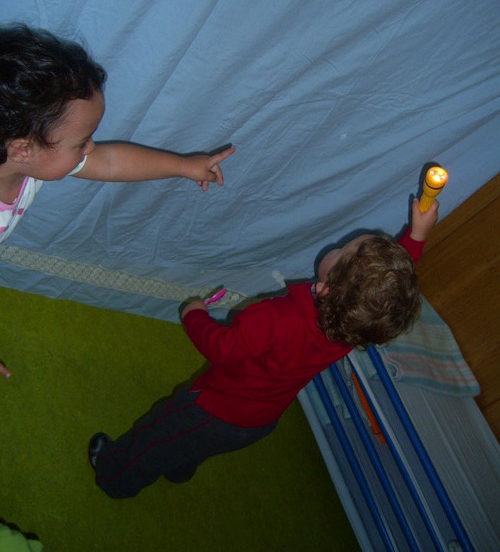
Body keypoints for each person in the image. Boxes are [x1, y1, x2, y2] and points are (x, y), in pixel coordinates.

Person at [88, 198, 439, 498]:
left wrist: (194, 315)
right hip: (258, 422)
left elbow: (223, 349)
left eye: (342, 251)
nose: (339, 245)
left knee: (156, 437)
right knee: (190, 447)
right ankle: (180, 469)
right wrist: (417, 235)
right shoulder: (359, 324)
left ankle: (112, 474)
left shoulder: (275, 317)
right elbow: (386, 286)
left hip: (212, 409)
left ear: (328, 288)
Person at [0, 24, 235, 378]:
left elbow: (110, 162)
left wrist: (185, 166)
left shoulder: (30, 160)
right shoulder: (33, 161)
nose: (90, 148)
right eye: (81, 142)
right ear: (23, 149)